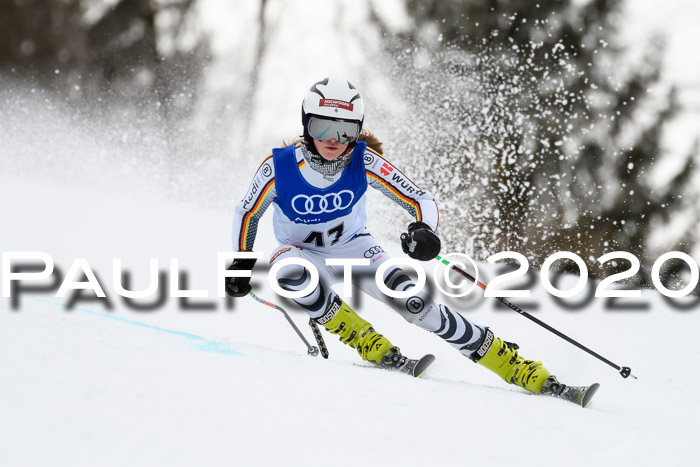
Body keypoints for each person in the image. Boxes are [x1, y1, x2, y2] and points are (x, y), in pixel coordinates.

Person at [225, 77, 581, 400]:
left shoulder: (363, 163)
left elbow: (419, 199)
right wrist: (241, 261)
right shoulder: (279, 167)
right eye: (322, 127)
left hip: (355, 249)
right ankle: (365, 340)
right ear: (306, 124)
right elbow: (247, 212)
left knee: (415, 304)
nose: (334, 139)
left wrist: (423, 229)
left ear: (357, 130)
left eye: (346, 131)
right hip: (299, 251)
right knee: (290, 275)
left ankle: (513, 365)